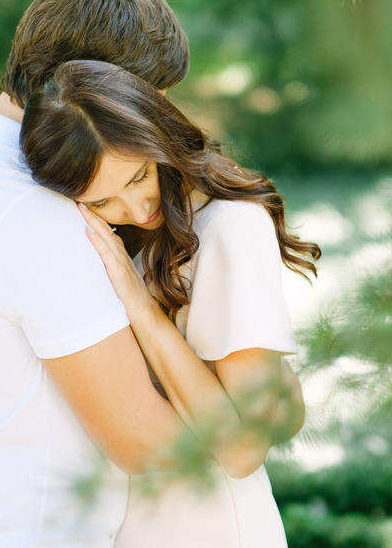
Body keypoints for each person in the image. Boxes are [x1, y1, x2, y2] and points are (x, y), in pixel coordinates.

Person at [0, 0, 308, 547]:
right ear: (88, 88)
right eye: (149, 98)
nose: (157, 119)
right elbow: (149, 442)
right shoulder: (33, 206)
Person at [18, 59, 321, 547]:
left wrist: (143, 310)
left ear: (156, 138)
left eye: (139, 176)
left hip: (212, 524)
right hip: (131, 518)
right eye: (101, 201)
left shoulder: (228, 227)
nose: (136, 209)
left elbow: (244, 450)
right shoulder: (116, 235)